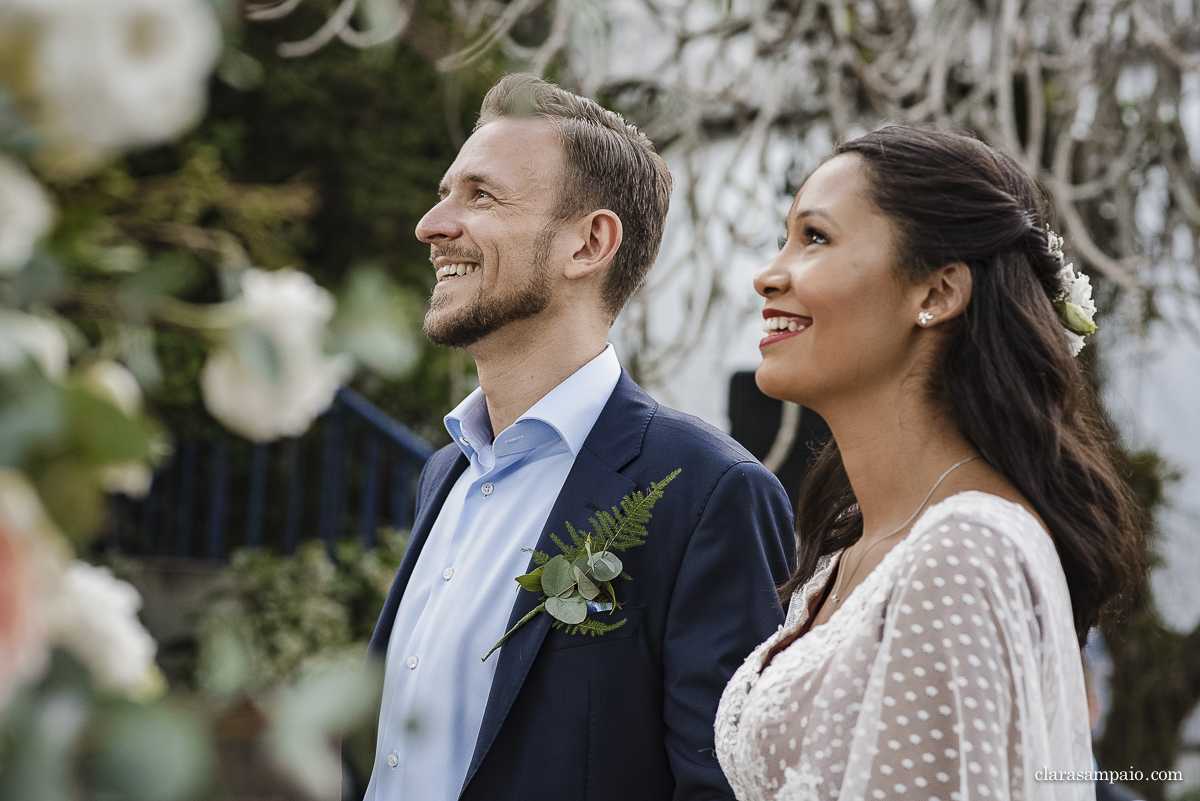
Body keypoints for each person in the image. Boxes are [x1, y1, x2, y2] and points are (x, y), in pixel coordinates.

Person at [353, 74, 796, 801]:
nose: (431, 225)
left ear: (589, 242)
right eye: (445, 192)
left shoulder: (710, 492)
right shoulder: (444, 474)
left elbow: (723, 785)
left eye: (480, 196)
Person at [714, 126, 1144, 801]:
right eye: (784, 239)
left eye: (816, 237)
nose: (769, 274)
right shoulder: (847, 545)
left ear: (938, 292)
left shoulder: (963, 551)